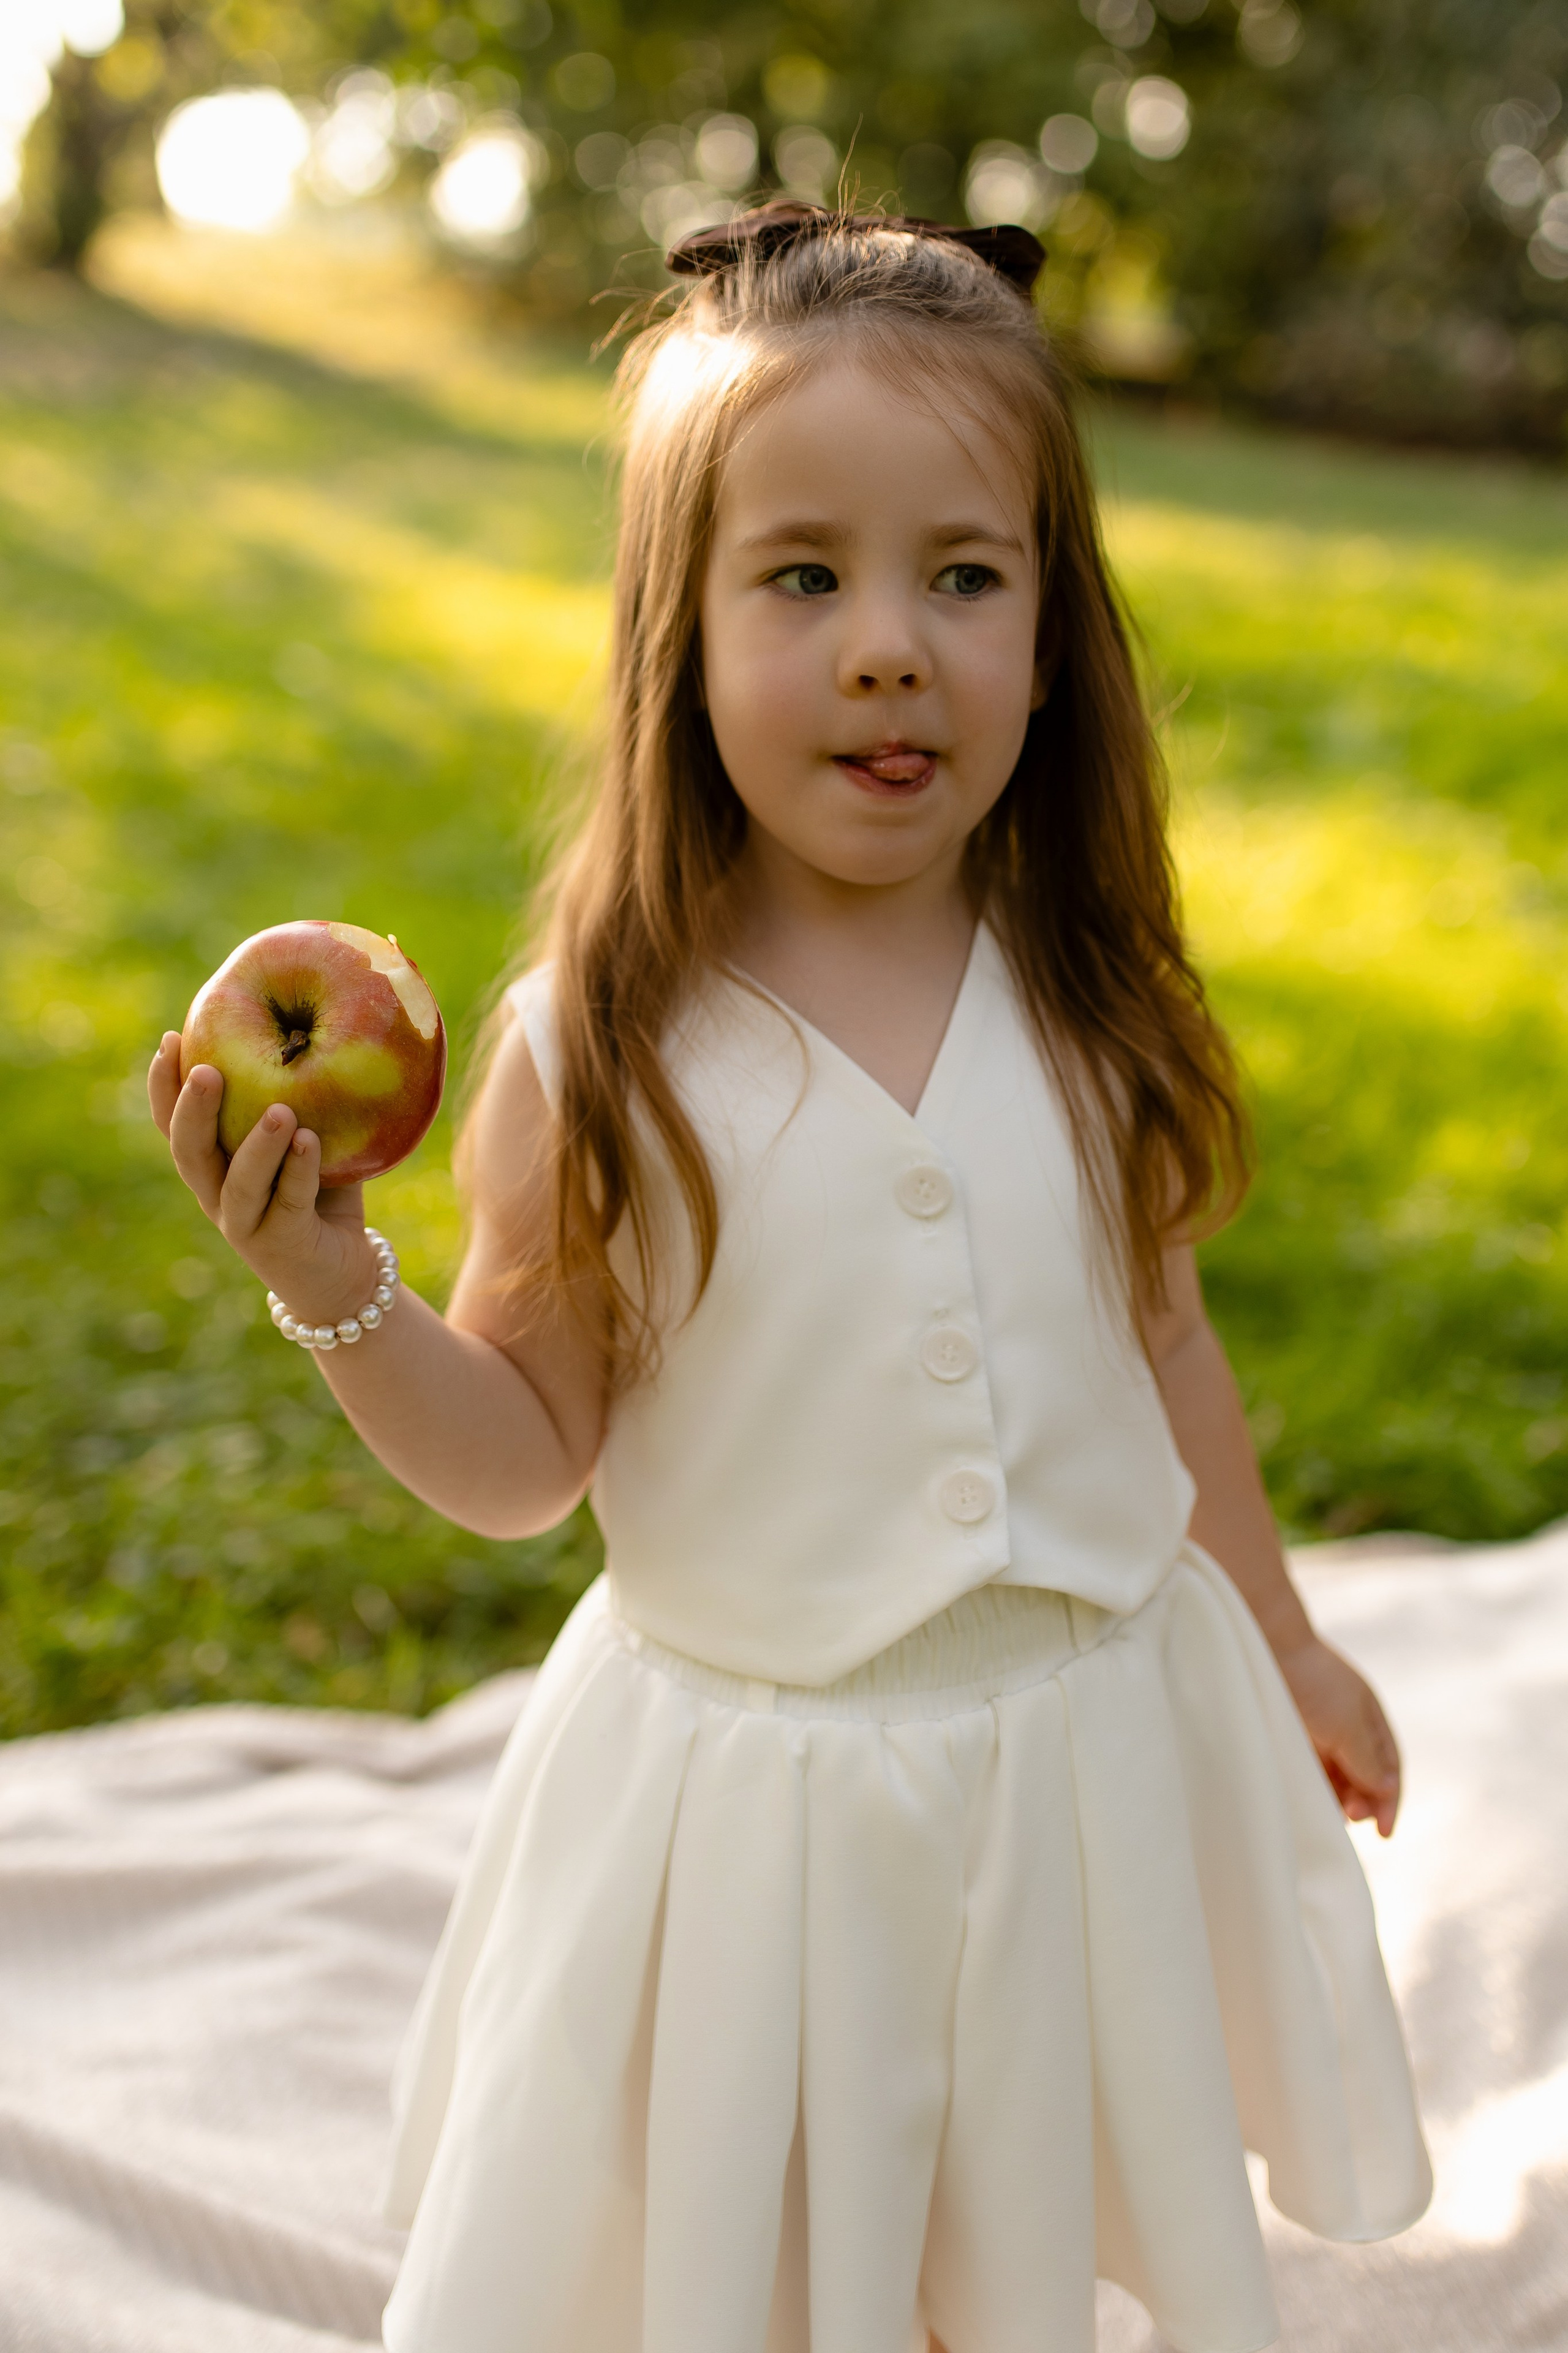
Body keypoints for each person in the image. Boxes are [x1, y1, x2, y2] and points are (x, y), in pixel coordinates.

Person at [149, 203, 1431, 2353]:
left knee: (1015, 2209)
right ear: (683, 630)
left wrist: (1288, 1642)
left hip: (1074, 1769)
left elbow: (1166, 1340)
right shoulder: (605, 1048)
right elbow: (524, 1457)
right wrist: (340, 1287)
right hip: (772, 1810)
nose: (888, 645)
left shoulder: (1089, 999)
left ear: (1055, 627)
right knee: (785, 2247)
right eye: (804, 576)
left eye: (965, 575)